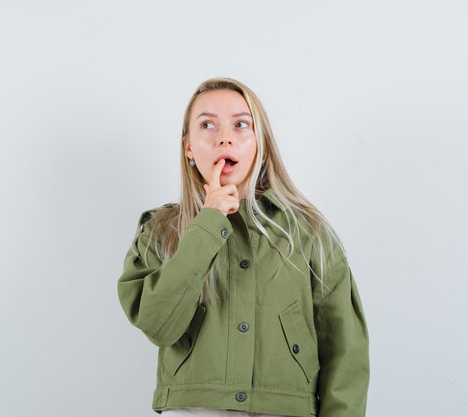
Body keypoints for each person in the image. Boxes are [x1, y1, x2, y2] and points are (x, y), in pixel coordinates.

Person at [117, 78, 370, 417]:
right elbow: (157, 323)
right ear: (188, 147)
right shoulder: (159, 230)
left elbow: (345, 351)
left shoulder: (309, 232)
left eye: (241, 125)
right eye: (207, 125)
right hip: (193, 409)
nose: (225, 137)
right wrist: (208, 221)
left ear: (258, 143)